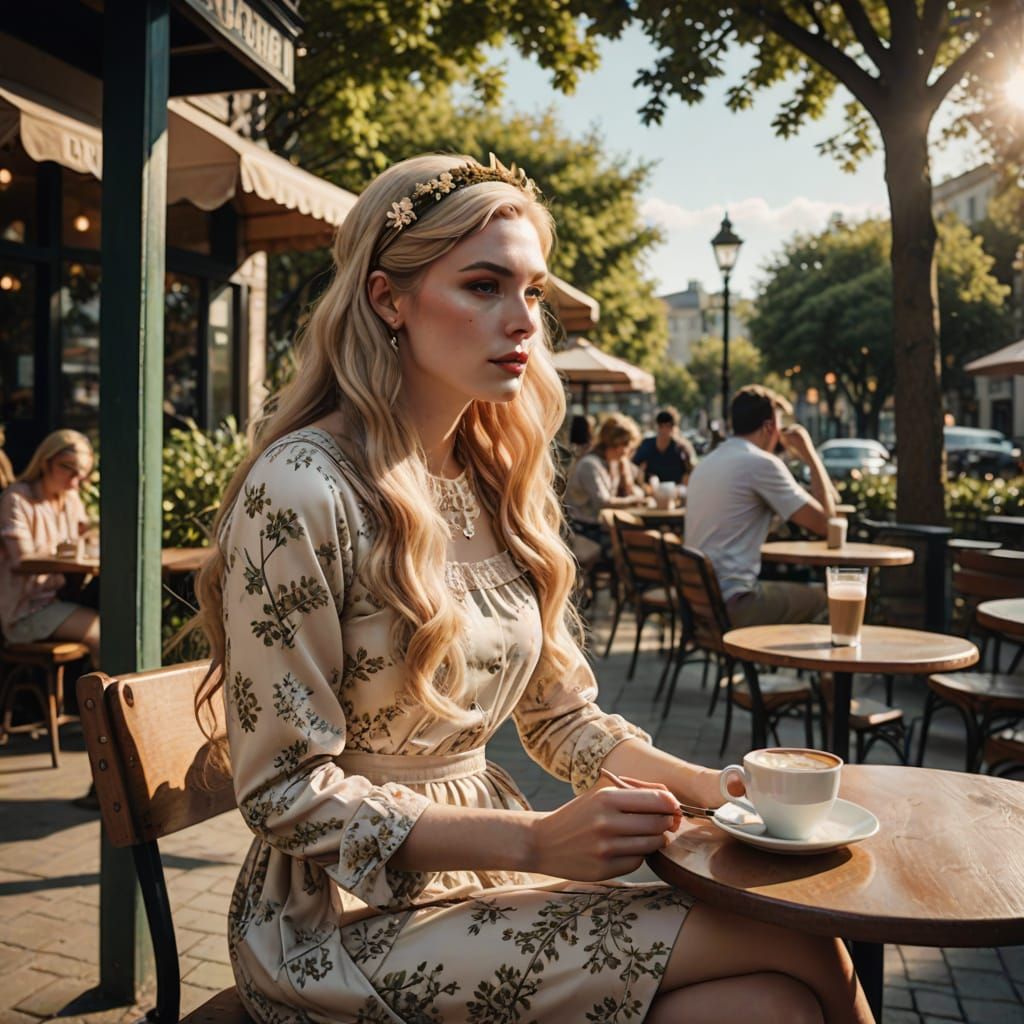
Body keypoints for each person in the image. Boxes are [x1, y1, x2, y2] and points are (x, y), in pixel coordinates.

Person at [193, 154, 871, 1024]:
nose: (521, 321)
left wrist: (714, 787)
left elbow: (559, 717)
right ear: (386, 299)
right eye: (483, 286)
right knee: (799, 939)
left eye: (533, 292)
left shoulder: (491, 482)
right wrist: (538, 840)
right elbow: (283, 792)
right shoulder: (305, 486)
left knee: (770, 1005)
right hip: (335, 917)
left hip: (477, 884)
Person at [685, 385, 837, 629]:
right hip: (736, 603)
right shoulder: (761, 464)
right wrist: (810, 454)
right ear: (769, 427)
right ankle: (822, 666)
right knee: (831, 599)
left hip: (701, 604)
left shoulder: (708, 462)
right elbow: (828, 525)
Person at [0, 429, 99, 660]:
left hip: (59, 599)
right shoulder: (17, 499)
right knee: (104, 632)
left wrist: (90, 538)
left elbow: (88, 536)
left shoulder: (70, 498)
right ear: (46, 462)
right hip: (24, 610)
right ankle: (104, 696)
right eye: (68, 468)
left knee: (122, 617)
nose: (75, 481)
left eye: (81, 474)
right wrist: (70, 550)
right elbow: (22, 560)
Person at [563, 412, 649, 546]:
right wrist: (634, 500)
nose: (630, 450)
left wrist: (631, 484)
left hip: (600, 527)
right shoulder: (590, 464)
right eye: (628, 445)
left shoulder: (614, 462)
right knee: (634, 544)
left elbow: (639, 485)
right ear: (618, 443)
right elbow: (603, 502)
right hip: (583, 530)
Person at [633, 406, 696, 486]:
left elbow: (690, 471)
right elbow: (635, 467)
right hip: (651, 490)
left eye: (668, 426)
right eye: (661, 425)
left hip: (675, 490)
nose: (664, 430)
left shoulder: (682, 448)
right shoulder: (646, 445)